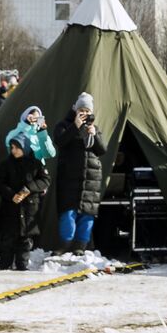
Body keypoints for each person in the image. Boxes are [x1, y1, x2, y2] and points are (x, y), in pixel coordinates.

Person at [51, 93, 107, 254]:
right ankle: (65, 245)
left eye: (87, 111)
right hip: (69, 177)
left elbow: (102, 150)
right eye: (81, 110)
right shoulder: (64, 125)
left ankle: (80, 246)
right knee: (68, 213)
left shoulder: (94, 129)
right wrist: (74, 126)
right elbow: (60, 141)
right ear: (75, 109)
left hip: (91, 179)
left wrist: (93, 134)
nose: (84, 114)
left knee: (87, 215)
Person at [0, 135, 50, 271]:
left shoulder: (36, 163)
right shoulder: (6, 164)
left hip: (29, 208)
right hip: (10, 208)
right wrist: (12, 195)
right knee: (7, 239)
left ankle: (22, 267)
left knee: (25, 240)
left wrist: (29, 189)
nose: (14, 151)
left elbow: (45, 180)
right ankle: (4, 266)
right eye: (12, 148)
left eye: (17, 147)